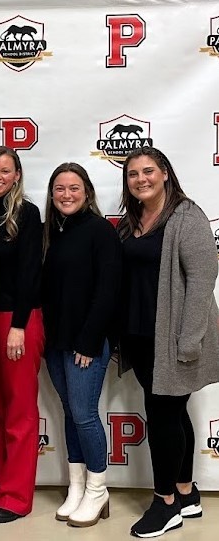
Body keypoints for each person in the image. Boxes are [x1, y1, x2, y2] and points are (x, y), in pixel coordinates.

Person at [117, 147, 219, 538]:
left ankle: (165, 504)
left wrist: (188, 341)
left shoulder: (186, 216)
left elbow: (202, 281)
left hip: (174, 340)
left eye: (148, 171)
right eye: (132, 174)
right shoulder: (133, 218)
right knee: (172, 414)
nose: (140, 179)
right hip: (141, 335)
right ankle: (186, 492)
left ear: (164, 173)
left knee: (162, 416)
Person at [41, 162, 121, 528]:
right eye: (60, 188)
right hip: (56, 342)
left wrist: (89, 341)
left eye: (74, 188)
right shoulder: (52, 232)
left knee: (85, 414)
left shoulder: (100, 231)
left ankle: (97, 489)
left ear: (86, 192)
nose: (66, 194)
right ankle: (77, 486)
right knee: (70, 412)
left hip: (86, 343)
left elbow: (108, 291)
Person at [0, 146, 44, 523]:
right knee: (1, 408)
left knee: (20, 410)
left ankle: (17, 497)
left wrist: (18, 325)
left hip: (18, 321)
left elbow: (31, 272)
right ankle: (3, 487)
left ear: (17, 176)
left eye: (5, 171)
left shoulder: (27, 213)